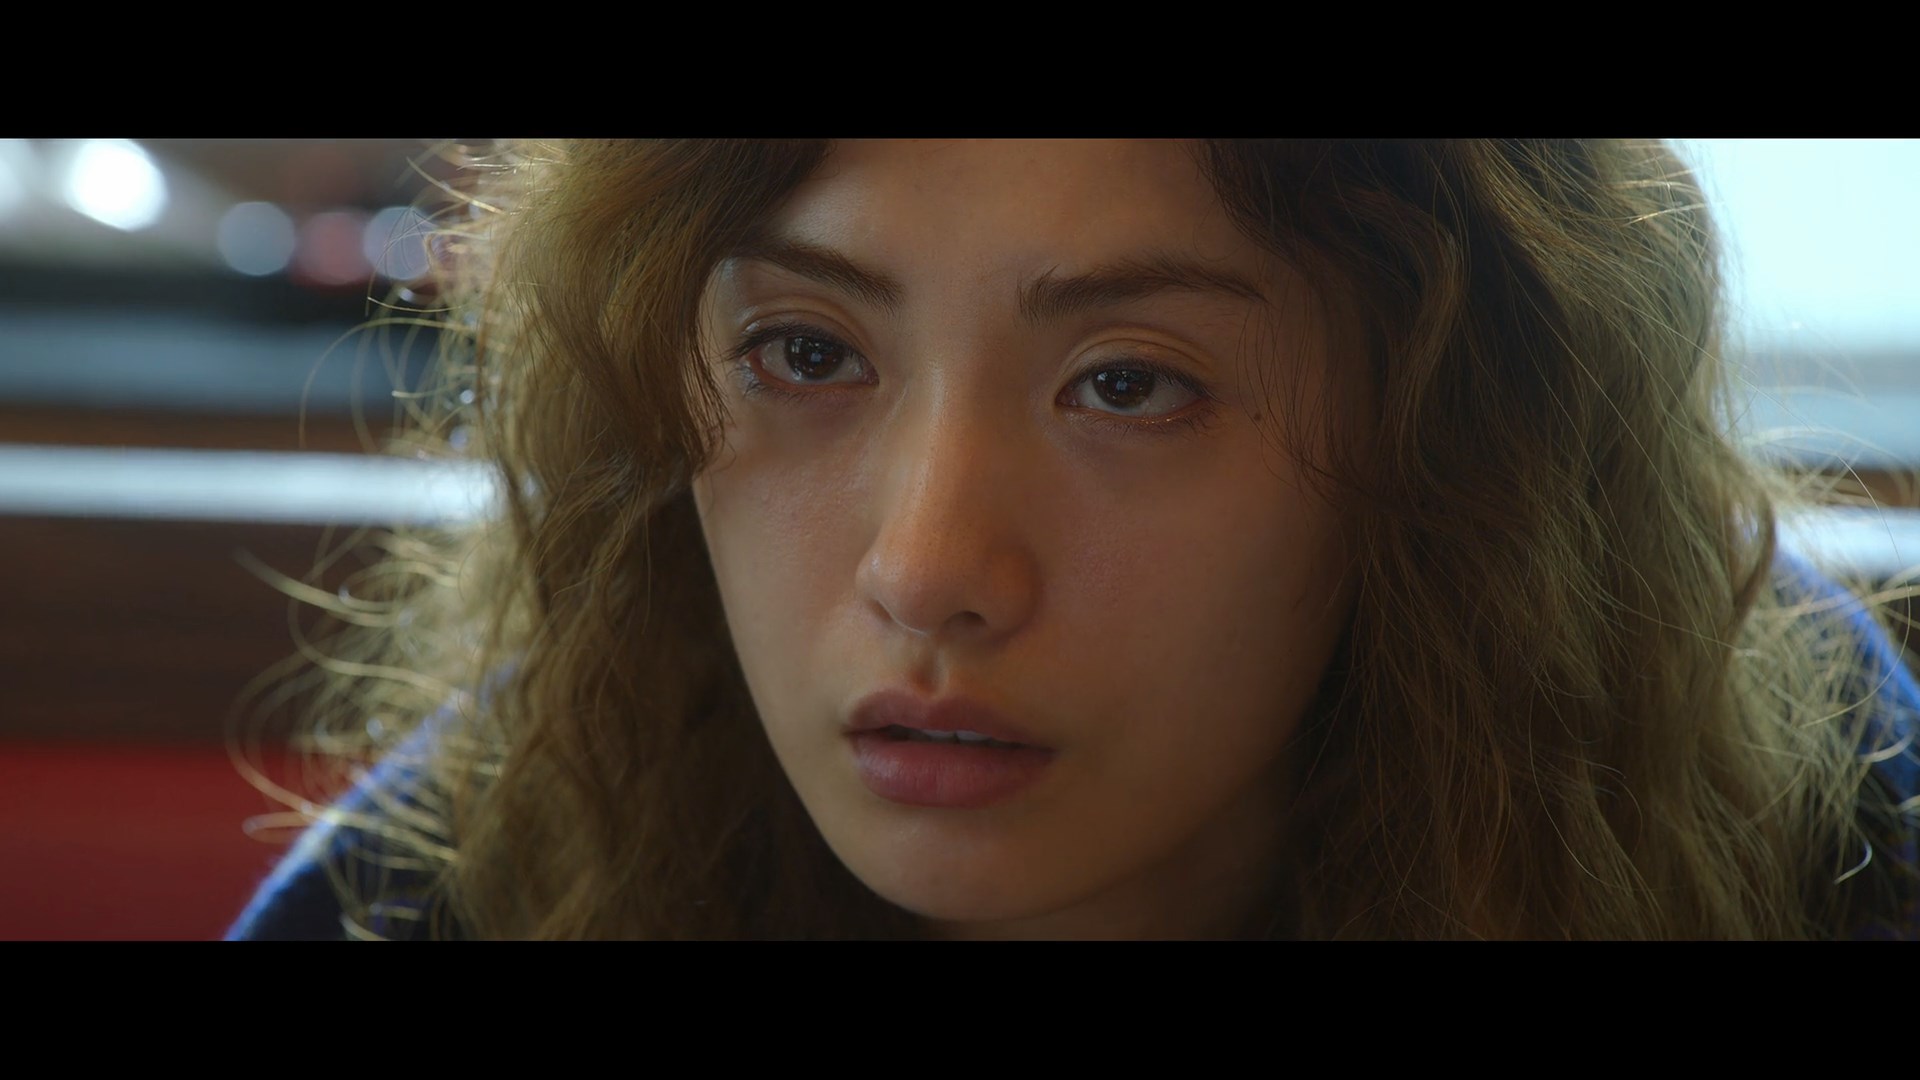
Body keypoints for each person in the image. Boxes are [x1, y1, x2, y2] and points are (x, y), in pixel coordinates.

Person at [225, 139, 1920, 940]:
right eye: (805, 353)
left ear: (1454, 445)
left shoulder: (1815, 840)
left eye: (1129, 384)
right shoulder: (488, 872)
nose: (927, 568)